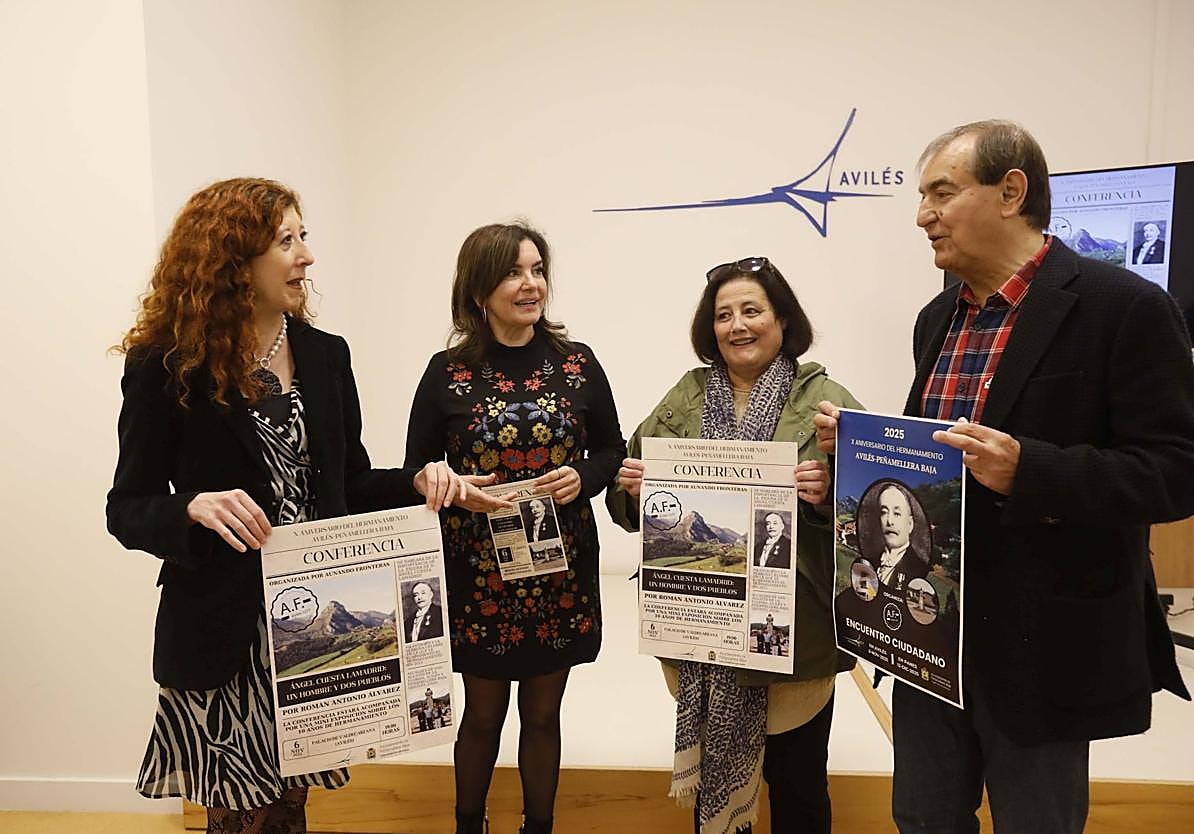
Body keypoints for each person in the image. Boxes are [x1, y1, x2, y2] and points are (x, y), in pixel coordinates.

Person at [816, 120, 1194, 834]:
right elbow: (931, 468)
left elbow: (1175, 471)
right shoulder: (938, 319)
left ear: (1011, 191)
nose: (922, 215)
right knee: (923, 818)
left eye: (941, 193)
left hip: (1043, 649)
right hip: (931, 635)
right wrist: (863, 452)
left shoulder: (1128, 309)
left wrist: (1032, 472)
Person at [106, 178, 490, 834]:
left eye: (303, 236)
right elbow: (127, 507)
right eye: (287, 240)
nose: (306, 256)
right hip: (223, 636)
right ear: (233, 260)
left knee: (288, 810)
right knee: (242, 818)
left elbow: (350, 481)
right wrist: (191, 508)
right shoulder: (165, 365)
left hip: (310, 632)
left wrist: (421, 481)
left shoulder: (324, 355)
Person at [608, 257, 863, 834]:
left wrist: (826, 498)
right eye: (724, 315)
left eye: (752, 310)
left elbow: (871, 517)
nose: (737, 326)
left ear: (782, 320)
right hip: (704, 631)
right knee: (713, 782)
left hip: (792, 633)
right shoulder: (688, 395)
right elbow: (626, 502)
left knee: (799, 787)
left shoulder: (826, 398)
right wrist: (633, 491)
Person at [404, 222, 626, 834]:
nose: (531, 285)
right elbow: (413, 470)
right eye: (513, 273)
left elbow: (611, 449)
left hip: (559, 567)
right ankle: (468, 825)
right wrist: (443, 486)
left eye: (537, 270)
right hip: (479, 569)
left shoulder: (578, 365)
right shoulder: (446, 371)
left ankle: (539, 827)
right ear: (479, 290)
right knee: (481, 713)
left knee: (545, 712)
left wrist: (583, 475)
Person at [871, 482, 929, 592]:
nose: (889, 521)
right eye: (884, 512)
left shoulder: (919, 570)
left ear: (910, 524)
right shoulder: (870, 562)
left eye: (897, 513)